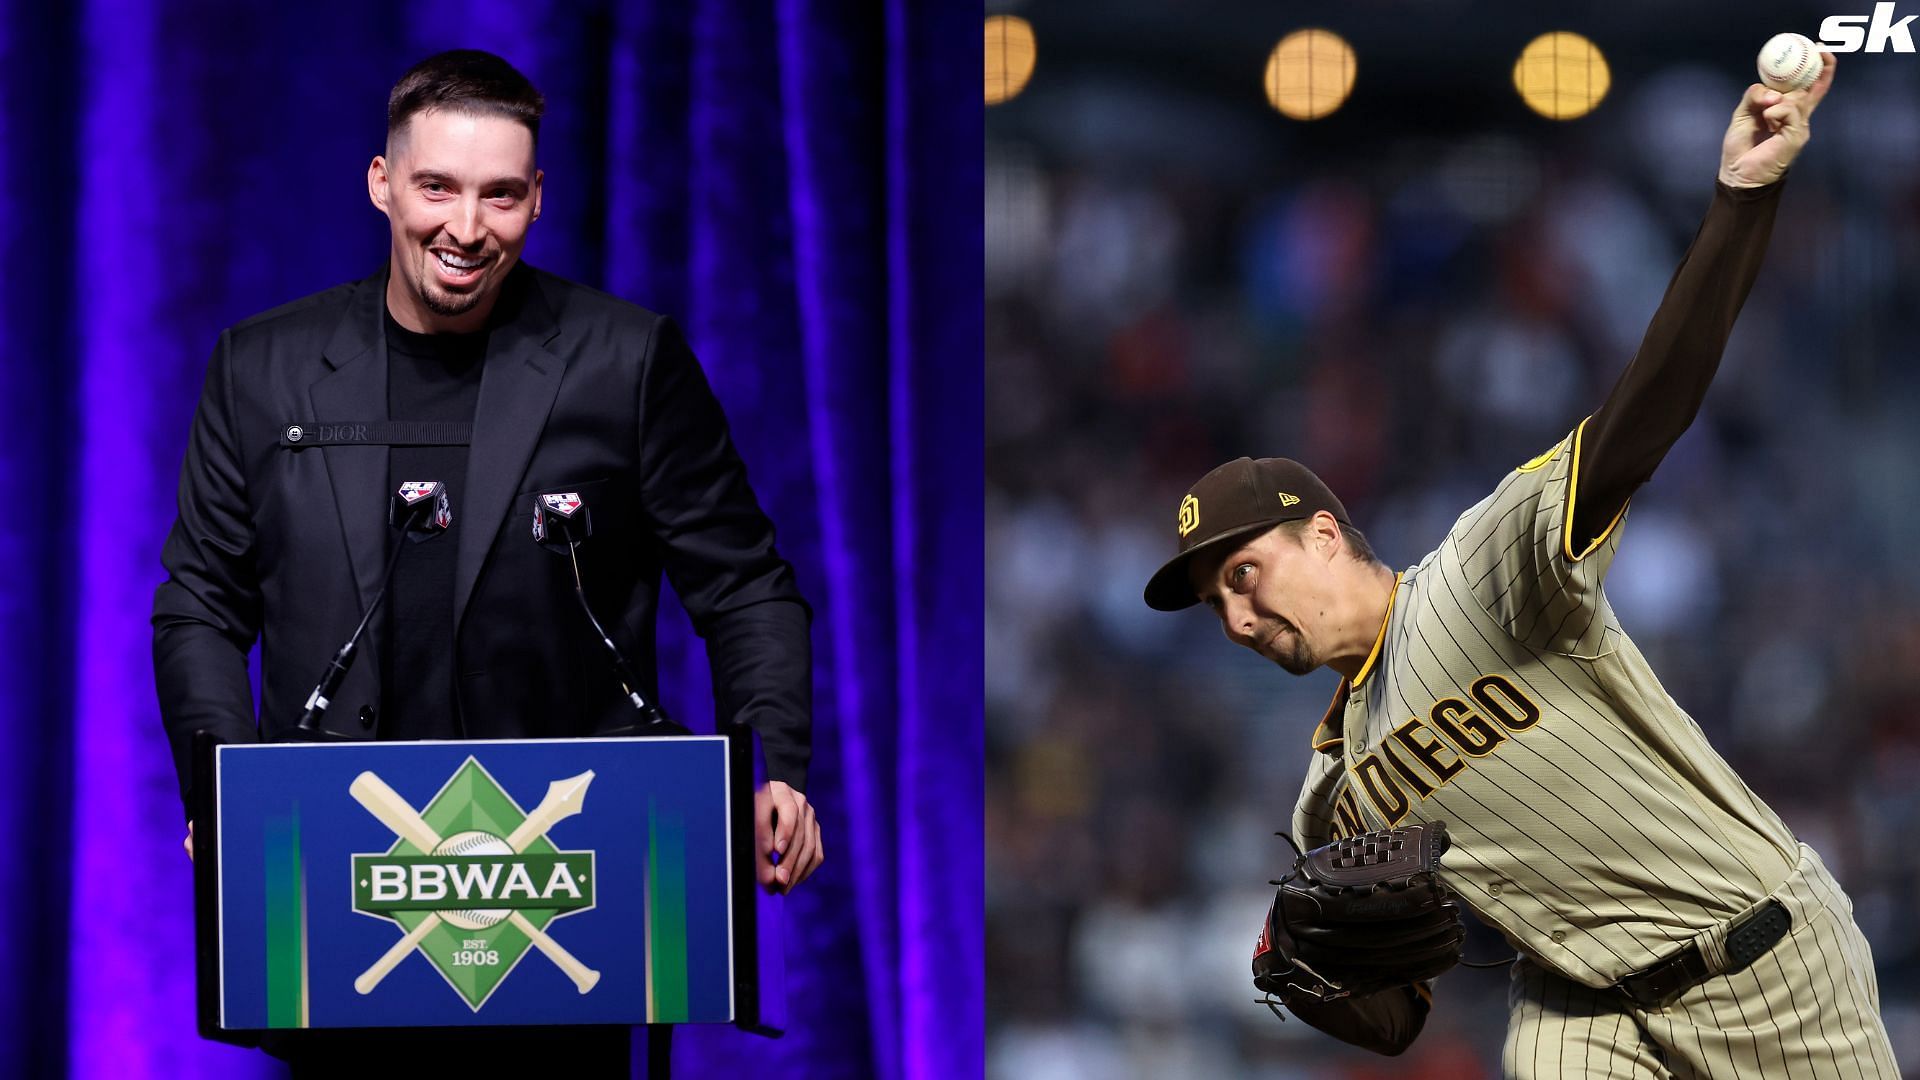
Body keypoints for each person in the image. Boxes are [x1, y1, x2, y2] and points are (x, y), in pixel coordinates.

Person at [1145, 54, 1901, 1077]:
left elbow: (1645, 414)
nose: (1235, 617)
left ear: (1323, 532)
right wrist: (1303, 971)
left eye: (1241, 575)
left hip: (1762, 959)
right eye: (1210, 604)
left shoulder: (1484, 569)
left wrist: (1737, 205)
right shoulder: (1330, 801)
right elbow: (1397, 1014)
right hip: (1578, 1008)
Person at [153, 50, 821, 1073]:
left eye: (500, 194)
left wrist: (772, 767)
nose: (467, 228)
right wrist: (220, 785)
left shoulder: (625, 363)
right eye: (438, 188)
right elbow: (200, 601)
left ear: (537, 198)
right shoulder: (264, 368)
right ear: (383, 183)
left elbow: (745, 586)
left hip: (571, 904)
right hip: (345, 903)